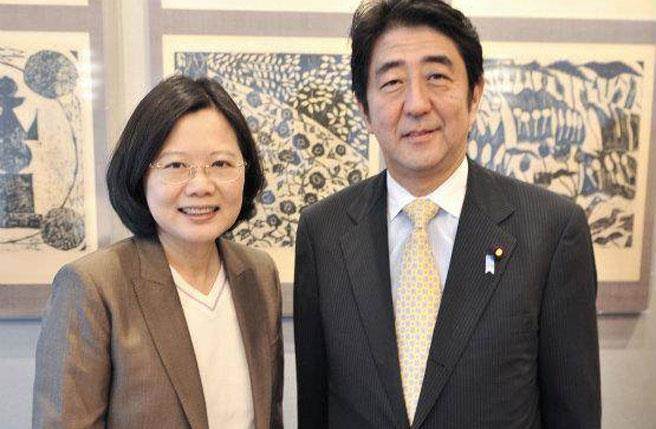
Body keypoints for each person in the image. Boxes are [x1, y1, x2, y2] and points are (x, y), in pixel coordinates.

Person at [293, 1, 601, 428]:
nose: (417, 104)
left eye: (436, 76)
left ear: (474, 95)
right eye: (392, 82)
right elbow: (314, 407)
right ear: (364, 110)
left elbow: (574, 414)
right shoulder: (322, 232)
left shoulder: (551, 230)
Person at [33, 75, 283, 429]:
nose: (201, 186)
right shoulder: (93, 286)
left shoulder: (259, 273)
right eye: (176, 165)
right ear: (140, 174)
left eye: (221, 164)